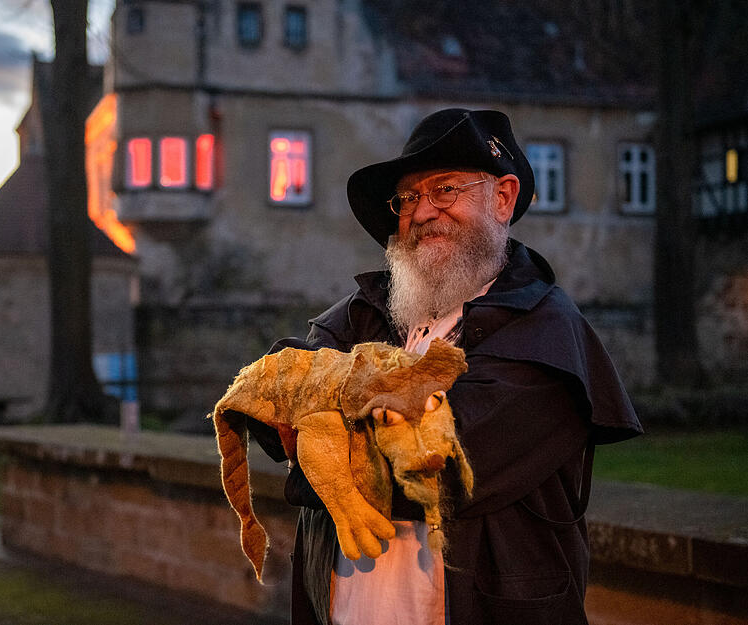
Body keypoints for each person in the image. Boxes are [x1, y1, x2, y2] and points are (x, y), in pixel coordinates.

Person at [247, 108, 643, 625]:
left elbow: (440, 469)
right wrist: (313, 422)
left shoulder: (546, 333)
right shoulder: (366, 314)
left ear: (502, 198)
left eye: (446, 189)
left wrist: (321, 431)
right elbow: (271, 393)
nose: (423, 211)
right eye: (409, 197)